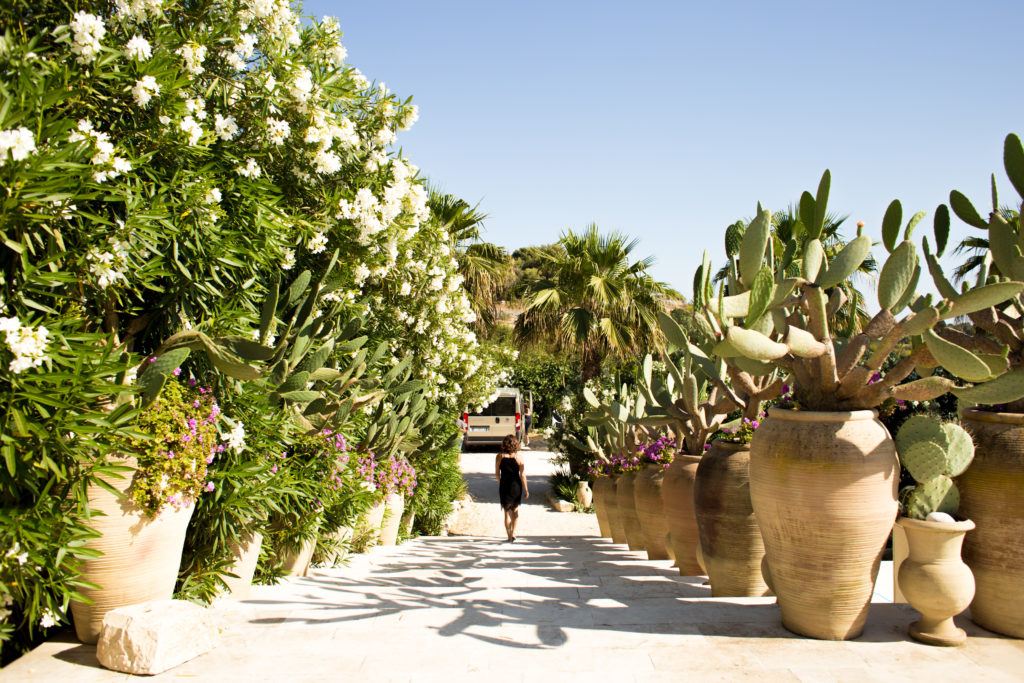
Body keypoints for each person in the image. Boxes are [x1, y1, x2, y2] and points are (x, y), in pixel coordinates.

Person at [495, 434, 528, 542]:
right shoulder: (519, 457)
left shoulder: (499, 456)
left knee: (506, 512)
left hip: (505, 484)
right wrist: (526, 489)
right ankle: (514, 532)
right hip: (516, 485)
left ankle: (509, 536)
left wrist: (501, 483)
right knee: (515, 510)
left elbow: (497, 473)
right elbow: (522, 475)